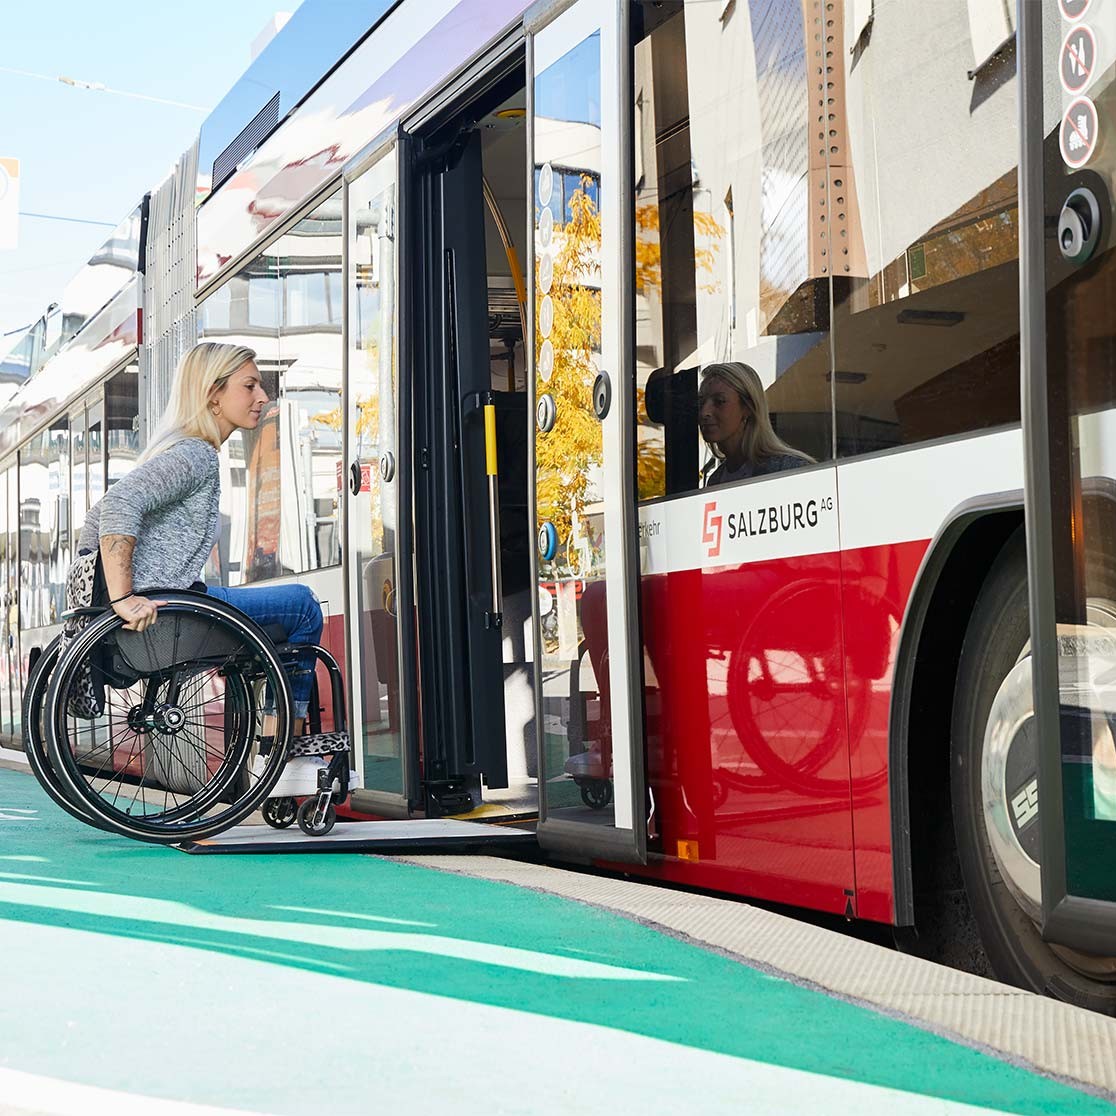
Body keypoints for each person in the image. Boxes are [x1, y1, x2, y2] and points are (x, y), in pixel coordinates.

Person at [77, 341, 332, 742]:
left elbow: (94, 524)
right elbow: (119, 505)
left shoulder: (179, 449)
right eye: (249, 386)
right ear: (214, 394)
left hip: (161, 612)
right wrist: (124, 598)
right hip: (166, 617)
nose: (263, 397)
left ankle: (273, 740)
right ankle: (281, 748)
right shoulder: (195, 455)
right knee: (302, 607)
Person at [698, 361, 812, 486]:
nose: (704, 412)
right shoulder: (716, 479)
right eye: (701, 402)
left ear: (748, 407)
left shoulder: (787, 469)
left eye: (719, 401)